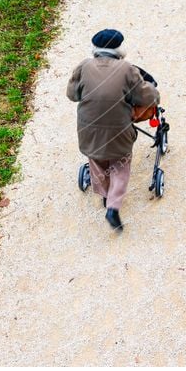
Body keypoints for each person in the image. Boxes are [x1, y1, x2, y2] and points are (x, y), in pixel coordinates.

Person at [67, 29, 160, 231]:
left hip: (88, 132)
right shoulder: (127, 69)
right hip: (119, 132)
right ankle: (113, 206)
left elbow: (72, 95)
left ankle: (104, 194)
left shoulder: (83, 67)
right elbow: (145, 96)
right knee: (120, 164)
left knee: (97, 160)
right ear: (119, 49)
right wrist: (155, 94)